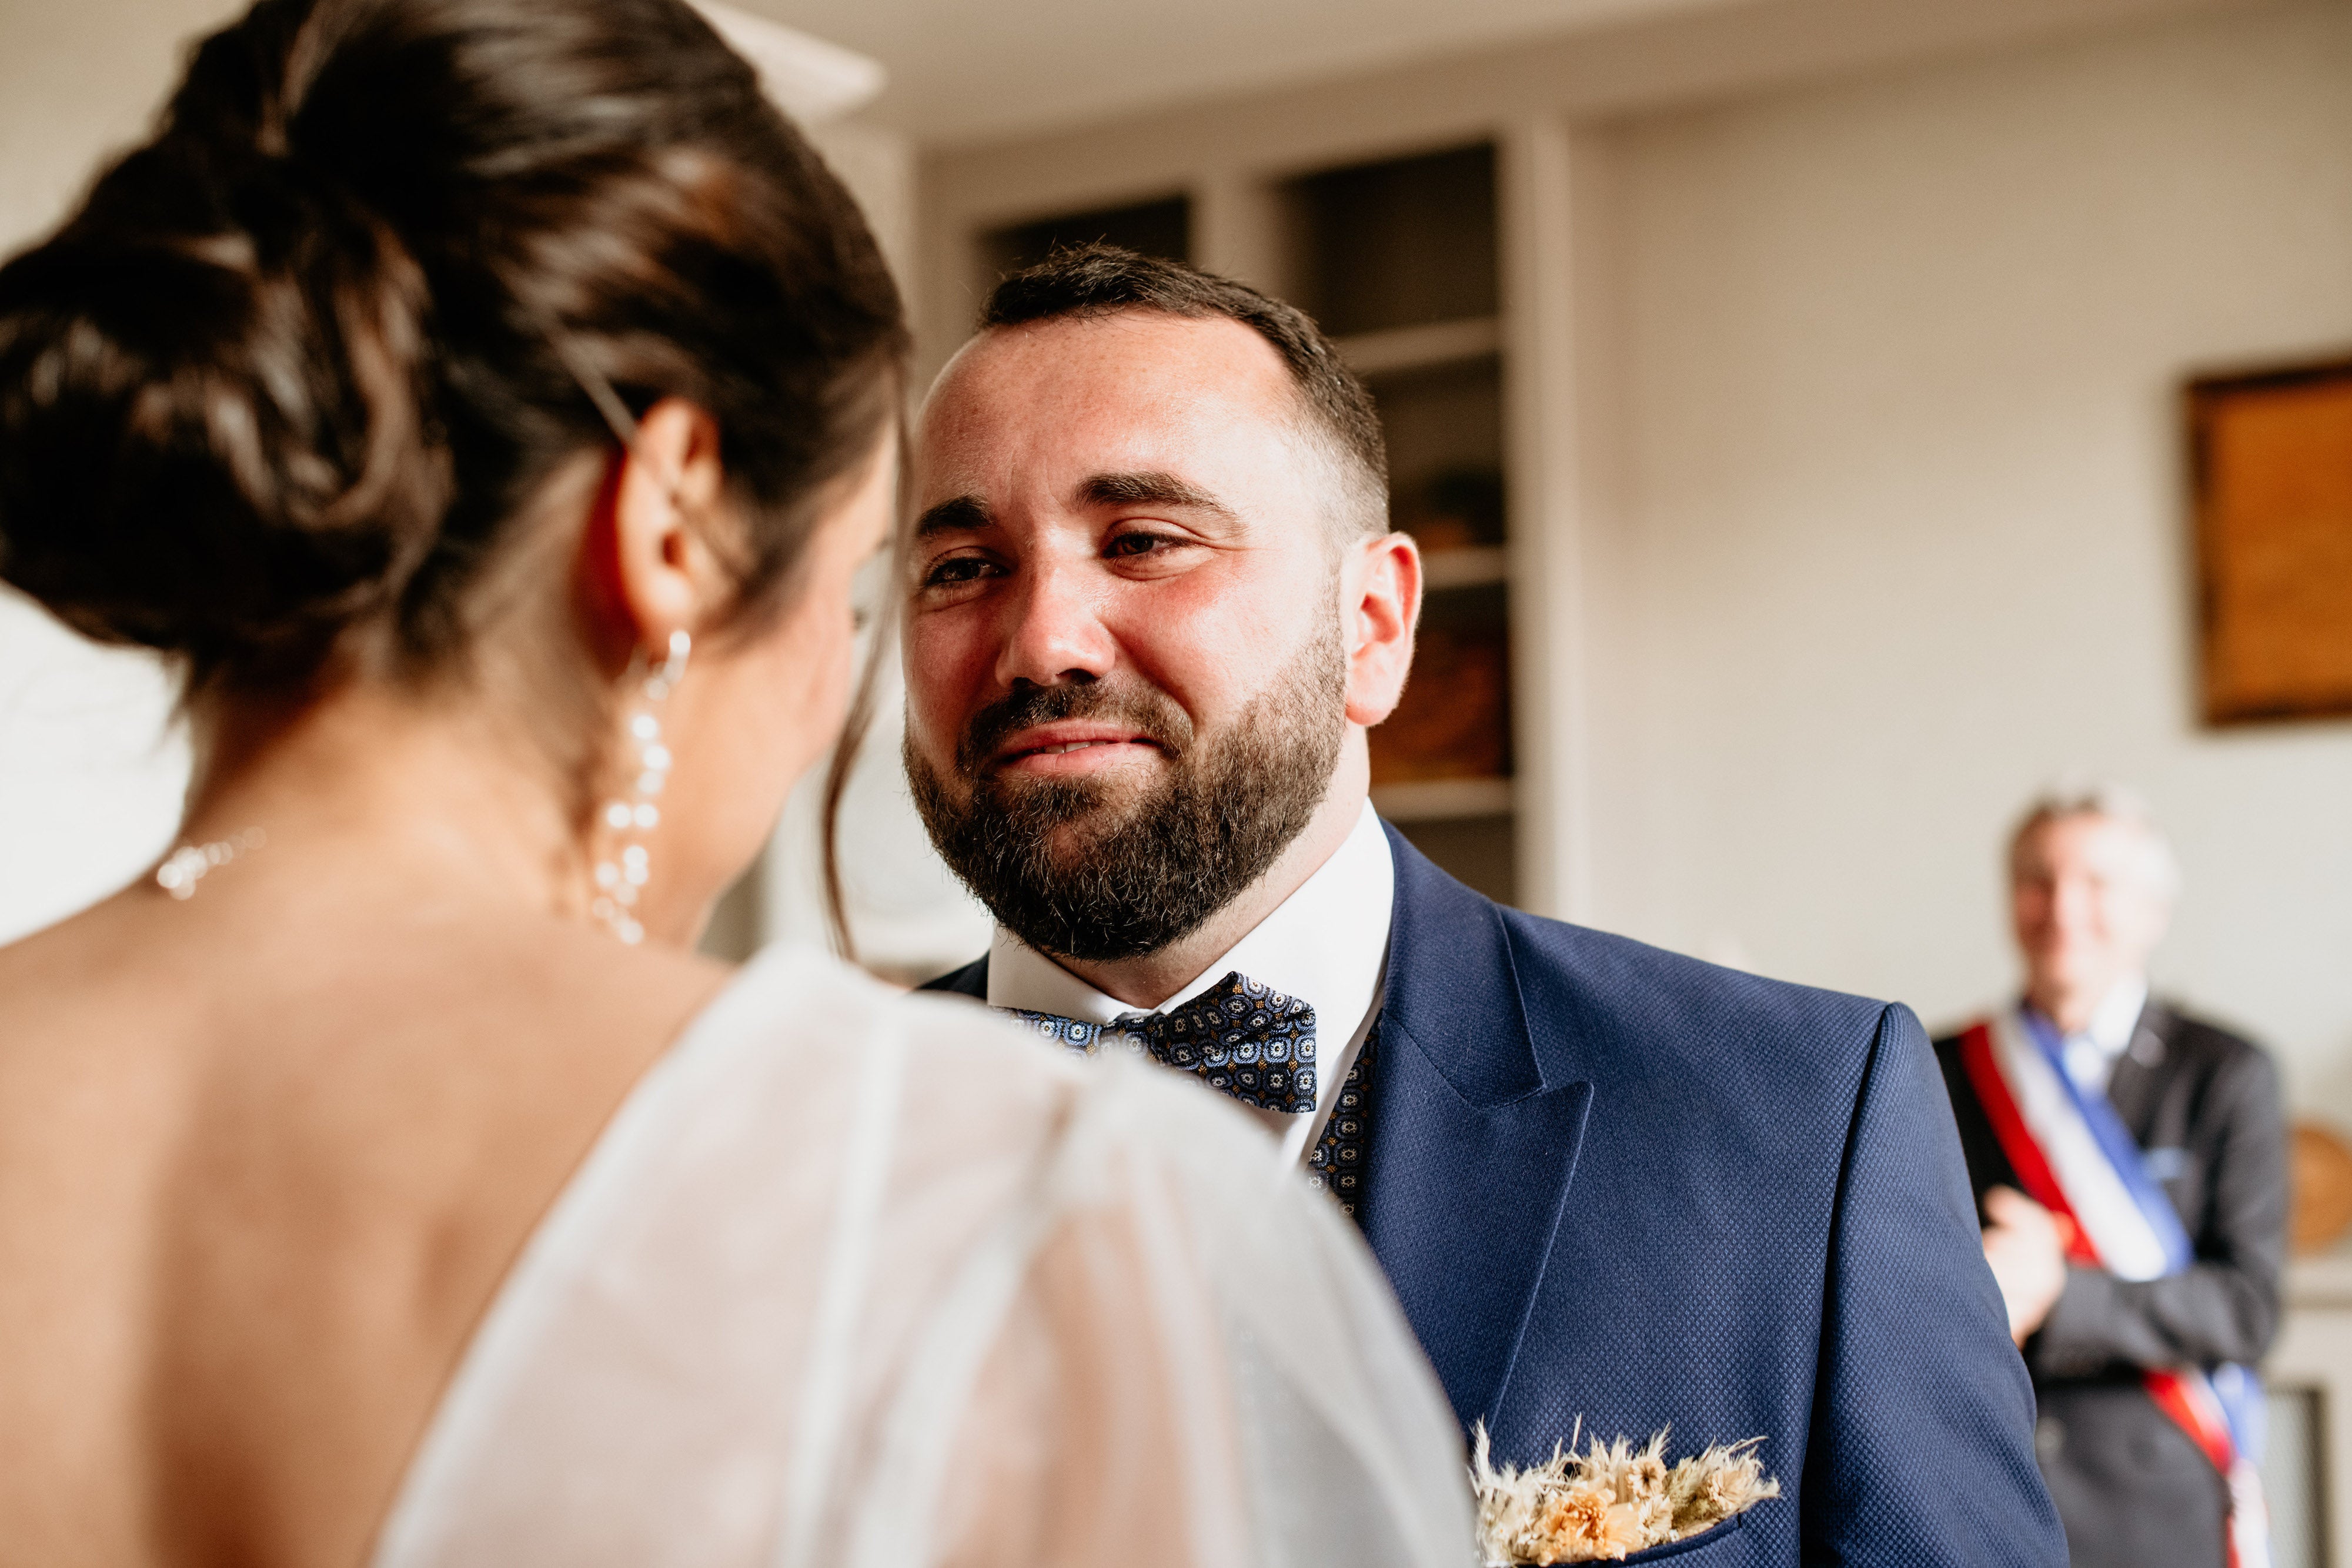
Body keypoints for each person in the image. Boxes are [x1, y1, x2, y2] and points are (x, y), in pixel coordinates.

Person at [0, 7, 1476, 1566]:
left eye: (1146, 542)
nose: (1036, 646)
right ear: (673, 532)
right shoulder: (1009, 1202)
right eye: (886, 578)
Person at [903, 243, 2066, 1565]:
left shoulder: (1796, 1124)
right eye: (961, 565)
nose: (1042, 637)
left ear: (1375, 625)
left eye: (1146, 541)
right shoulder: (764, 1153)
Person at [1935, 788, 2287, 1568]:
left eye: (2097, 883)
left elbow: (2248, 1310)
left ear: (2154, 911)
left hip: (2155, 1499)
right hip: (1982, 1481)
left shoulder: (2226, 1072)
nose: (2062, 908)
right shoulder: (1936, 1067)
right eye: (2038, 878)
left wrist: (2063, 1293)